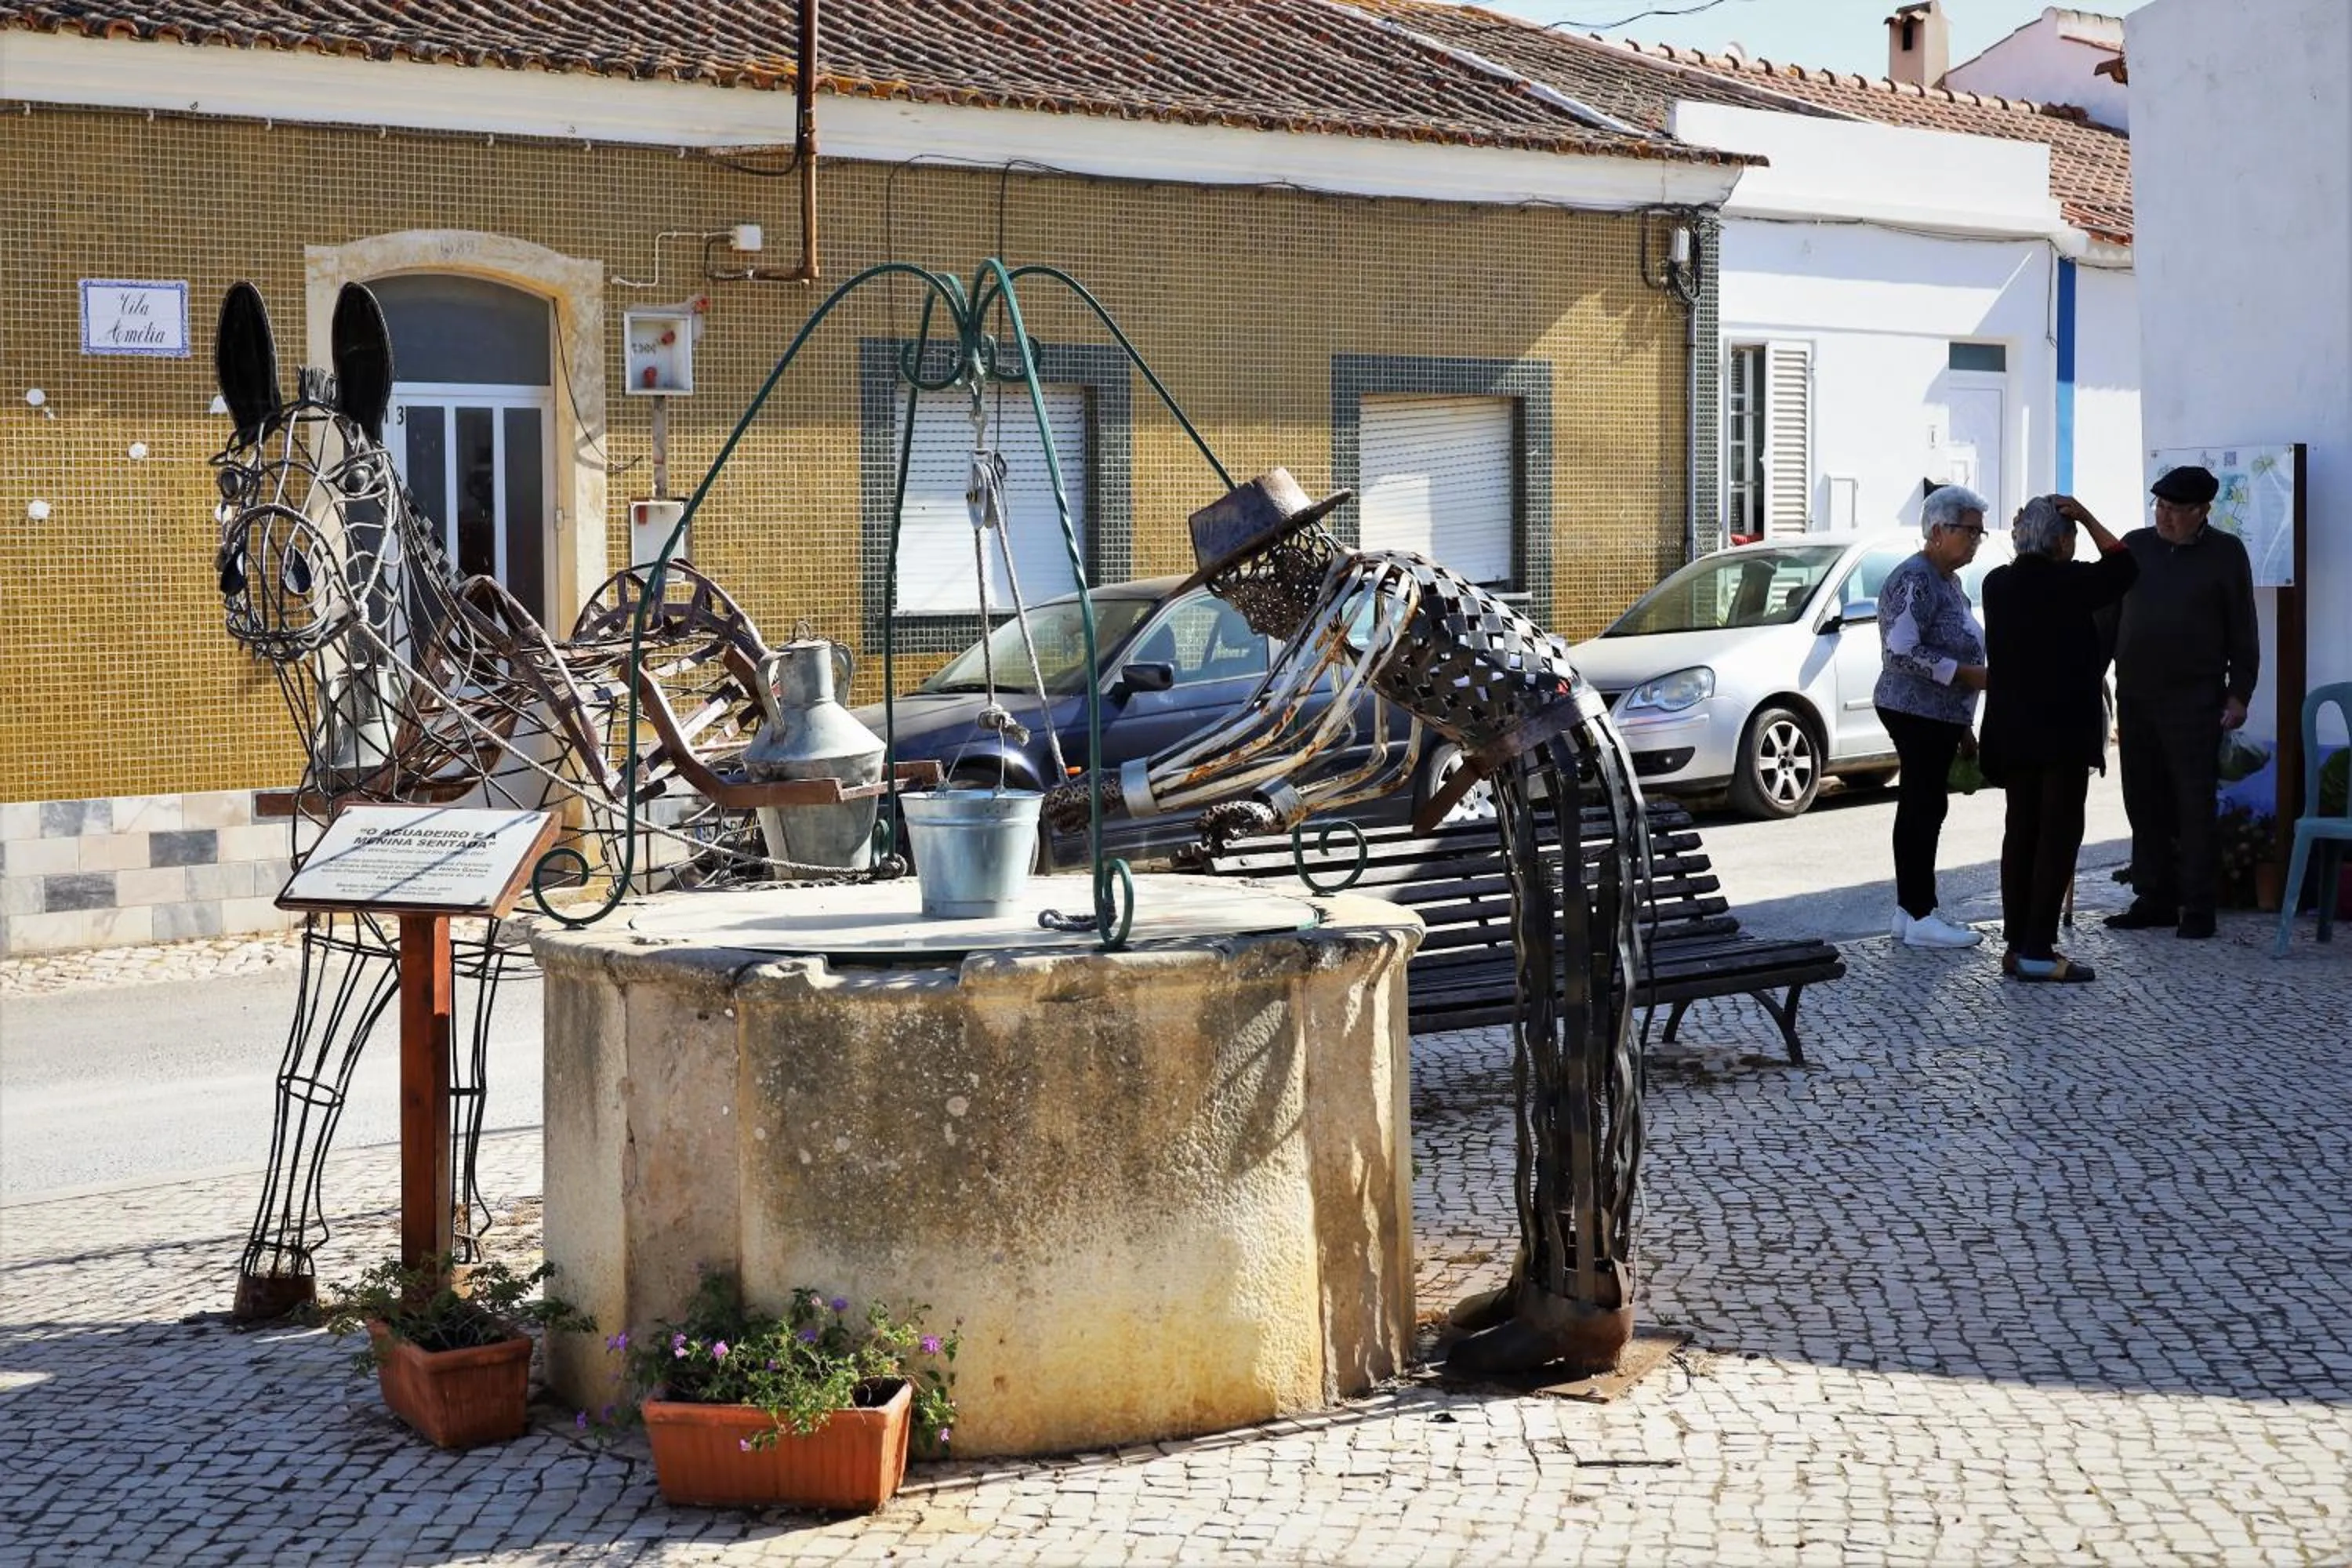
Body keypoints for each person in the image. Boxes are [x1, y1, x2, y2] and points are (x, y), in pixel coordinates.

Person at [1980, 495, 2137, 981]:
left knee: (2021, 832)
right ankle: (2038, 949)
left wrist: (2031, 531)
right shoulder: (2072, 582)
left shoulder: (1996, 585)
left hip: (2012, 730)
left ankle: (2017, 941)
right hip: (2063, 730)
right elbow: (2125, 564)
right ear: (2062, 542)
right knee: (2059, 834)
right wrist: (2087, 516)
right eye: (2069, 537)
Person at [2106, 465, 2261, 939]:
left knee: (2193, 804)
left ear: (2202, 512)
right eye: (2160, 506)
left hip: (2196, 698)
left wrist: (2240, 693)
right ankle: (2153, 896)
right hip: (2136, 694)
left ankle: (2198, 904)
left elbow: (2243, 628)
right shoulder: (2136, 546)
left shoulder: (2225, 554)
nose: (2165, 517)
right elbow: (2106, 616)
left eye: (2176, 510)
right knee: (2143, 799)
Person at [1875, 485, 1991, 949]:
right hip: (1913, 707)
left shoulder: (1949, 580)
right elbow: (1899, 651)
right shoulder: (1916, 578)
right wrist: (1968, 675)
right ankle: (1920, 913)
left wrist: (1964, 726)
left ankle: (1910, 910)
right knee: (1922, 806)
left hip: (1940, 714)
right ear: (1939, 530)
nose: (1976, 541)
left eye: (1980, 534)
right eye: (1970, 532)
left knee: (1926, 804)